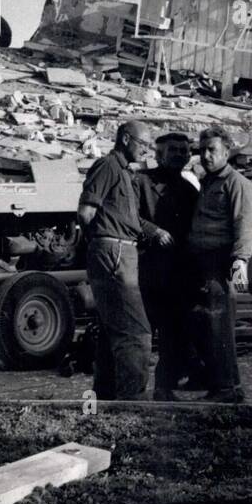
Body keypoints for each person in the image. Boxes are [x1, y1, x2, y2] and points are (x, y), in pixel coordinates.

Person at [77, 120, 155, 400]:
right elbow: (85, 213)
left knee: (113, 331)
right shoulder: (108, 166)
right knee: (136, 332)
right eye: (143, 144)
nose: (146, 150)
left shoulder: (124, 172)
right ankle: (132, 403)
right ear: (124, 139)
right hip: (115, 252)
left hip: (117, 250)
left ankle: (107, 399)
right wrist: (103, 246)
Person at [186, 126, 252, 404]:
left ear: (226, 152)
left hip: (220, 262)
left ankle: (227, 390)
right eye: (202, 150)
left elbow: (246, 224)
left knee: (220, 327)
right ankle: (221, 387)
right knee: (206, 325)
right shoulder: (208, 182)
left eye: (212, 150)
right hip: (203, 264)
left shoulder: (237, 184)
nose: (205, 155)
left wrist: (240, 260)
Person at [134, 132, 201, 399]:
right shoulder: (141, 183)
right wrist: (153, 231)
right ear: (158, 154)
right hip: (147, 269)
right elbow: (128, 216)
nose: (180, 156)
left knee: (174, 333)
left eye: (184, 151)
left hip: (179, 272)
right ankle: (132, 390)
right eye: (173, 150)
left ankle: (164, 387)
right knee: (142, 333)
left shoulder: (188, 189)